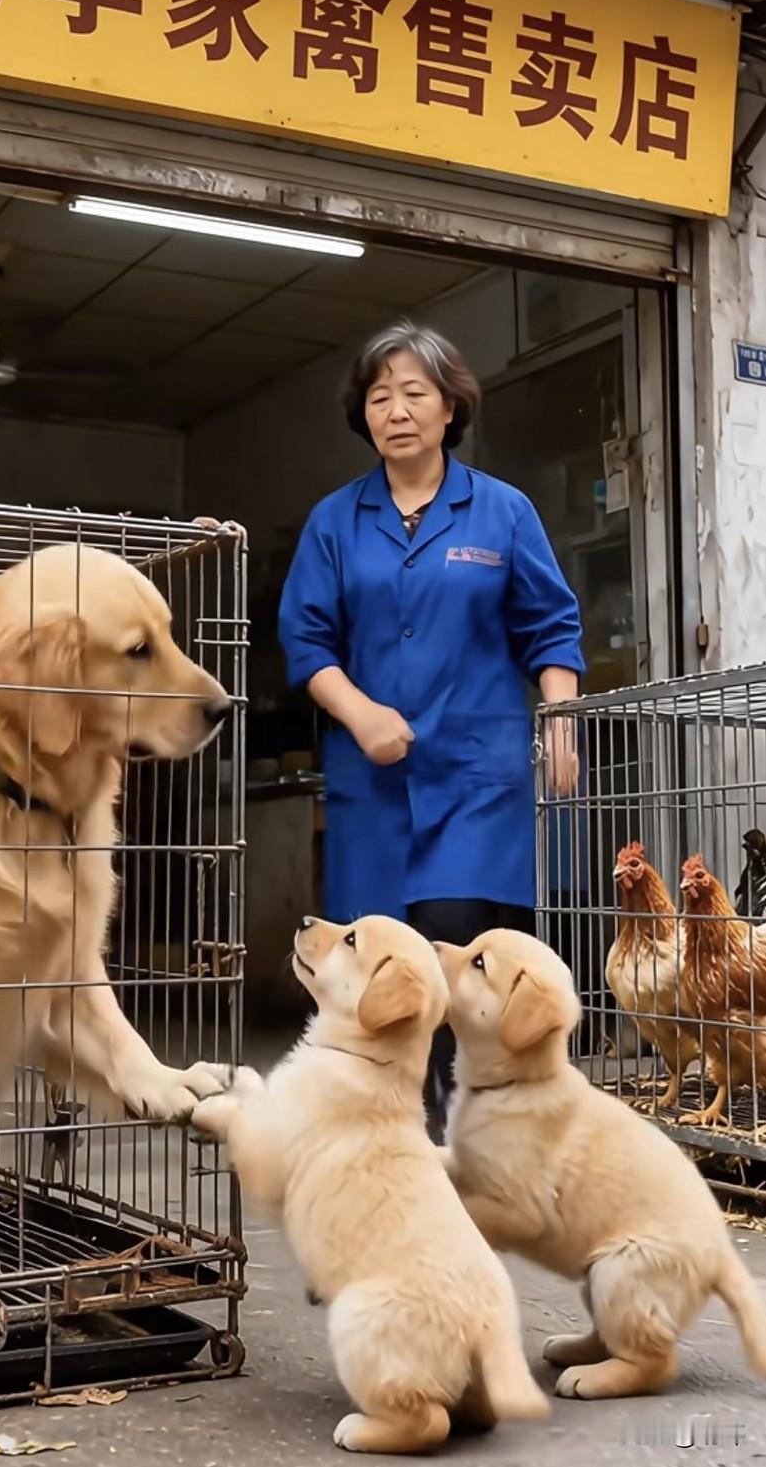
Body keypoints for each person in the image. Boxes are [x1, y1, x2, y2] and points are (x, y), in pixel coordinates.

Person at [278, 317, 584, 1131]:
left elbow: (550, 628)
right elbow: (306, 641)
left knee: (462, 954)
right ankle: (382, 1138)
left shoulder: (503, 513)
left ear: (451, 407)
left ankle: (471, 1141)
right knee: (373, 973)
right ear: (363, 414)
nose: (397, 409)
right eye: (379, 396)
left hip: (476, 780)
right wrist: (361, 712)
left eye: (415, 392)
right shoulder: (334, 523)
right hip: (372, 786)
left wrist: (560, 719)